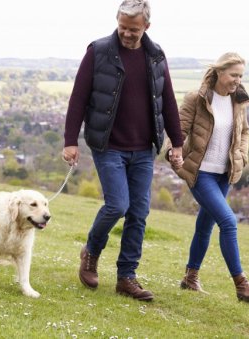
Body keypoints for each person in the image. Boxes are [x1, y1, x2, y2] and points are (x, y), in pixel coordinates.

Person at [62, 0, 184, 301]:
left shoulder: (155, 56)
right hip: (108, 144)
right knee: (118, 205)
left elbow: (167, 100)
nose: (127, 34)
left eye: (134, 29)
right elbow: (78, 98)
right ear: (117, 22)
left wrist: (177, 142)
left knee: (139, 212)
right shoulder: (99, 51)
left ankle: (126, 277)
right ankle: (91, 252)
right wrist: (70, 141)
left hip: (143, 148)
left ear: (146, 27)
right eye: (122, 27)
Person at [166, 52, 249, 302]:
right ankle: (241, 284)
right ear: (219, 73)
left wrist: (241, 155)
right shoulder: (197, 98)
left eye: (241, 75)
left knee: (205, 226)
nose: (237, 80)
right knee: (228, 222)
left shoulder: (238, 101)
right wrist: (172, 151)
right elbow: (179, 130)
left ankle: (190, 278)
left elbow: (244, 132)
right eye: (234, 75)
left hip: (225, 174)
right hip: (201, 173)